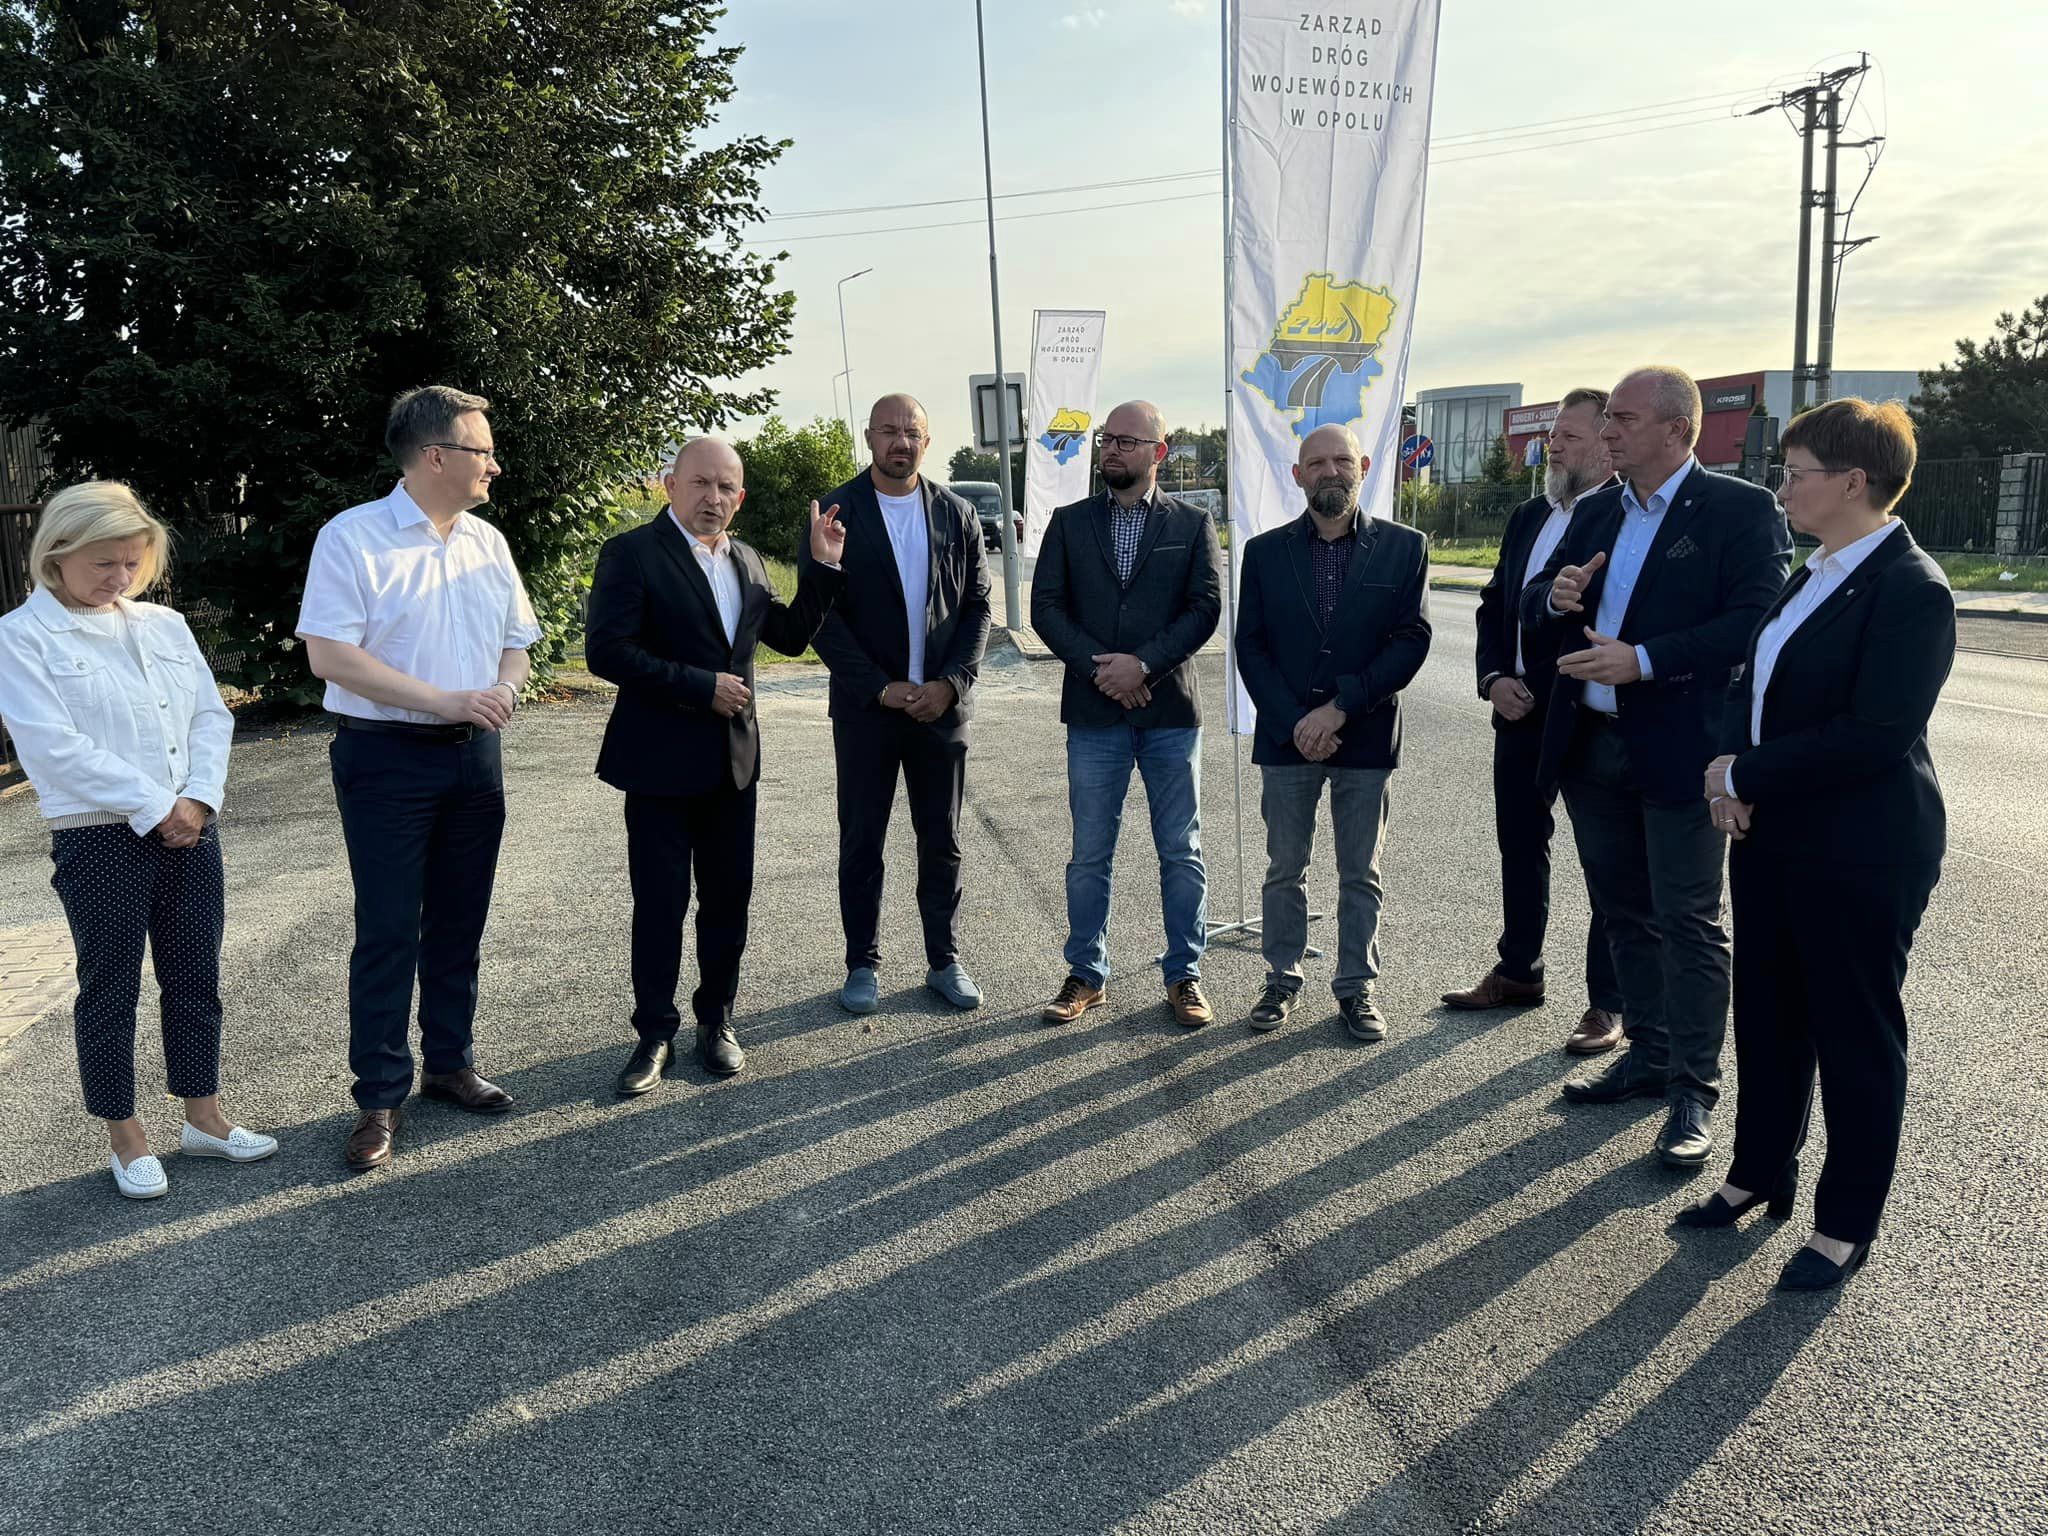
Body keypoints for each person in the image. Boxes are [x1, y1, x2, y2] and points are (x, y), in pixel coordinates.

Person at [1676, 399, 1953, 1293]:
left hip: (1863, 848)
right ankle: (1759, 1172)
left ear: (1854, 482)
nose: (1782, 488)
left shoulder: (1911, 588)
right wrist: (1729, 774)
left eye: (1795, 474)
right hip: (1774, 832)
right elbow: (1750, 682)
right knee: (1769, 1014)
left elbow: (1876, 734)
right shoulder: (1816, 570)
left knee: (1854, 1033)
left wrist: (1745, 772)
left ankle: (1845, 1225)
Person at [1520, 366, 1790, 1171]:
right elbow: (1533, 603)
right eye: (1606, 419)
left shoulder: (1741, 510)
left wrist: (1644, 659)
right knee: (1622, 913)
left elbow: (1755, 622)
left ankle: (1693, 1092)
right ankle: (1647, 1054)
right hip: (1591, 749)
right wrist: (1556, 595)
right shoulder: (1598, 509)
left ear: (1678, 430)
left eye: (1624, 420)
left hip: (1681, 753)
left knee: (1687, 923)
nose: (1607, 433)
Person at [0, 481, 276, 1199]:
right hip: (99, 834)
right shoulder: (20, 636)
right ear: (56, 554)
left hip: (191, 825)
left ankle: (204, 1118)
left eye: (132, 562)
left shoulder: (164, 624)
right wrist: (158, 806)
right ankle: (126, 1137)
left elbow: (210, 716)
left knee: (195, 975)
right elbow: (53, 747)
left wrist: (200, 799)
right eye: (104, 563)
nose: (120, 577)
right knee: (110, 985)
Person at [296, 385, 541, 1172]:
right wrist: (444, 700)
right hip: (386, 757)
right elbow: (330, 656)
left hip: (475, 754)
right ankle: (378, 1096)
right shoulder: (353, 538)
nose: (495, 465)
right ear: (436, 456)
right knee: (389, 928)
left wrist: (504, 688)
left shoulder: (487, 543)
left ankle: (449, 1064)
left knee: (460, 920)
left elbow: (516, 641)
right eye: (483, 451)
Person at [585, 437, 845, 1089]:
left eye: (726, 487)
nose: (713, 497)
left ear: (740, 497)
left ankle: (717, 1021)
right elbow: (607, 652)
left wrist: (822, 567)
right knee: (660, 904)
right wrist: (701, 687)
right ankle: (654, 1034)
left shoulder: (747, 560)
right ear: (670, 485)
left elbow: (788, 638)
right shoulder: (632, 554)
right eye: (700, 483)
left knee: (728, 901)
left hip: (733, 766)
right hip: (659, 765)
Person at [1443, 388, 1626, 1055]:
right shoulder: (1529, 515)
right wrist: (1494, 678)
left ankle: (1609, 1001)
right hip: (1517, 708)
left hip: (1585, 712)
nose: (1554, 448)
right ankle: (1519, 970)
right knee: (1520, 843)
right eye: (1552, 436)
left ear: (1607, 445)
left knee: (1606, 860)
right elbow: (1495, 604)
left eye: (1570, 437)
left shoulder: (1625, 517)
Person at [1234, 424, 1431, 1040]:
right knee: (1283, 868)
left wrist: (1340, 708)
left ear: (1363, 467)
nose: (1330, 472)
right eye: (1316, 463)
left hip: (1364, 735)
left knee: (1360, 872)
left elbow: (1411, 641)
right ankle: (1281, 979)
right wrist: (1296, 721)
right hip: (1286, 737)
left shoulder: (1405, 547)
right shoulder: (1264, 552)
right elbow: (1251, 647)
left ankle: (1355, 987)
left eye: (1341, 460)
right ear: (1297, 475)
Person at [1031, 400, 1224, 1028]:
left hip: (1169, 714)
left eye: (1126, 441)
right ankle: (1086, 974)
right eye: (1106, 439)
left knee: (1181, 851)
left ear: (1158, 452)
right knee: (1090, 852)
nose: (1111, 449)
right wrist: (1103, 671)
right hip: (1094, 714)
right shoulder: (1069, 523)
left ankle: (1184, 975)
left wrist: (1143, 666)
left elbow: (1205, 608)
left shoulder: (1192, 524)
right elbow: (1046, 608)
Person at [799, 394, 991, 1017]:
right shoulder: (835, 511)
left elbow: (978, 608)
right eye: (888, 431)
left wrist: (951, 683)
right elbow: (821, 617)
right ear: (869, 437)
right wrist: (878, 687)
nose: (900, 442)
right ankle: (862, 963)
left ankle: (944, 959)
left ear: (927, 442)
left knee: (942, 840)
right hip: (867, 711)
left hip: (941, 709)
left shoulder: (958, 513)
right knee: (862, 841)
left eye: (912, 432)